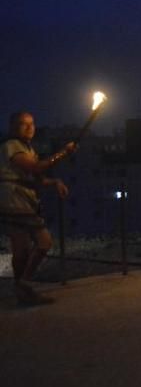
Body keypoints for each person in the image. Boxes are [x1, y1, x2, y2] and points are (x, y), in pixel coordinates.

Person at [1, 112, 76, 305]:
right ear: (13, 127)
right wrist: (63, 153)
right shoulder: (11, 146)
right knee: (42, 242)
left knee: (22, 251)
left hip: (22, 201)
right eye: (23, 124)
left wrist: (55, 181)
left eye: (31, 124)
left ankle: (23, 291)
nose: (29, 128)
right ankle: (24, 285)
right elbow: (35, 168)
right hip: (15, 201)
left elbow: (37, 178)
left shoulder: (28, 148)